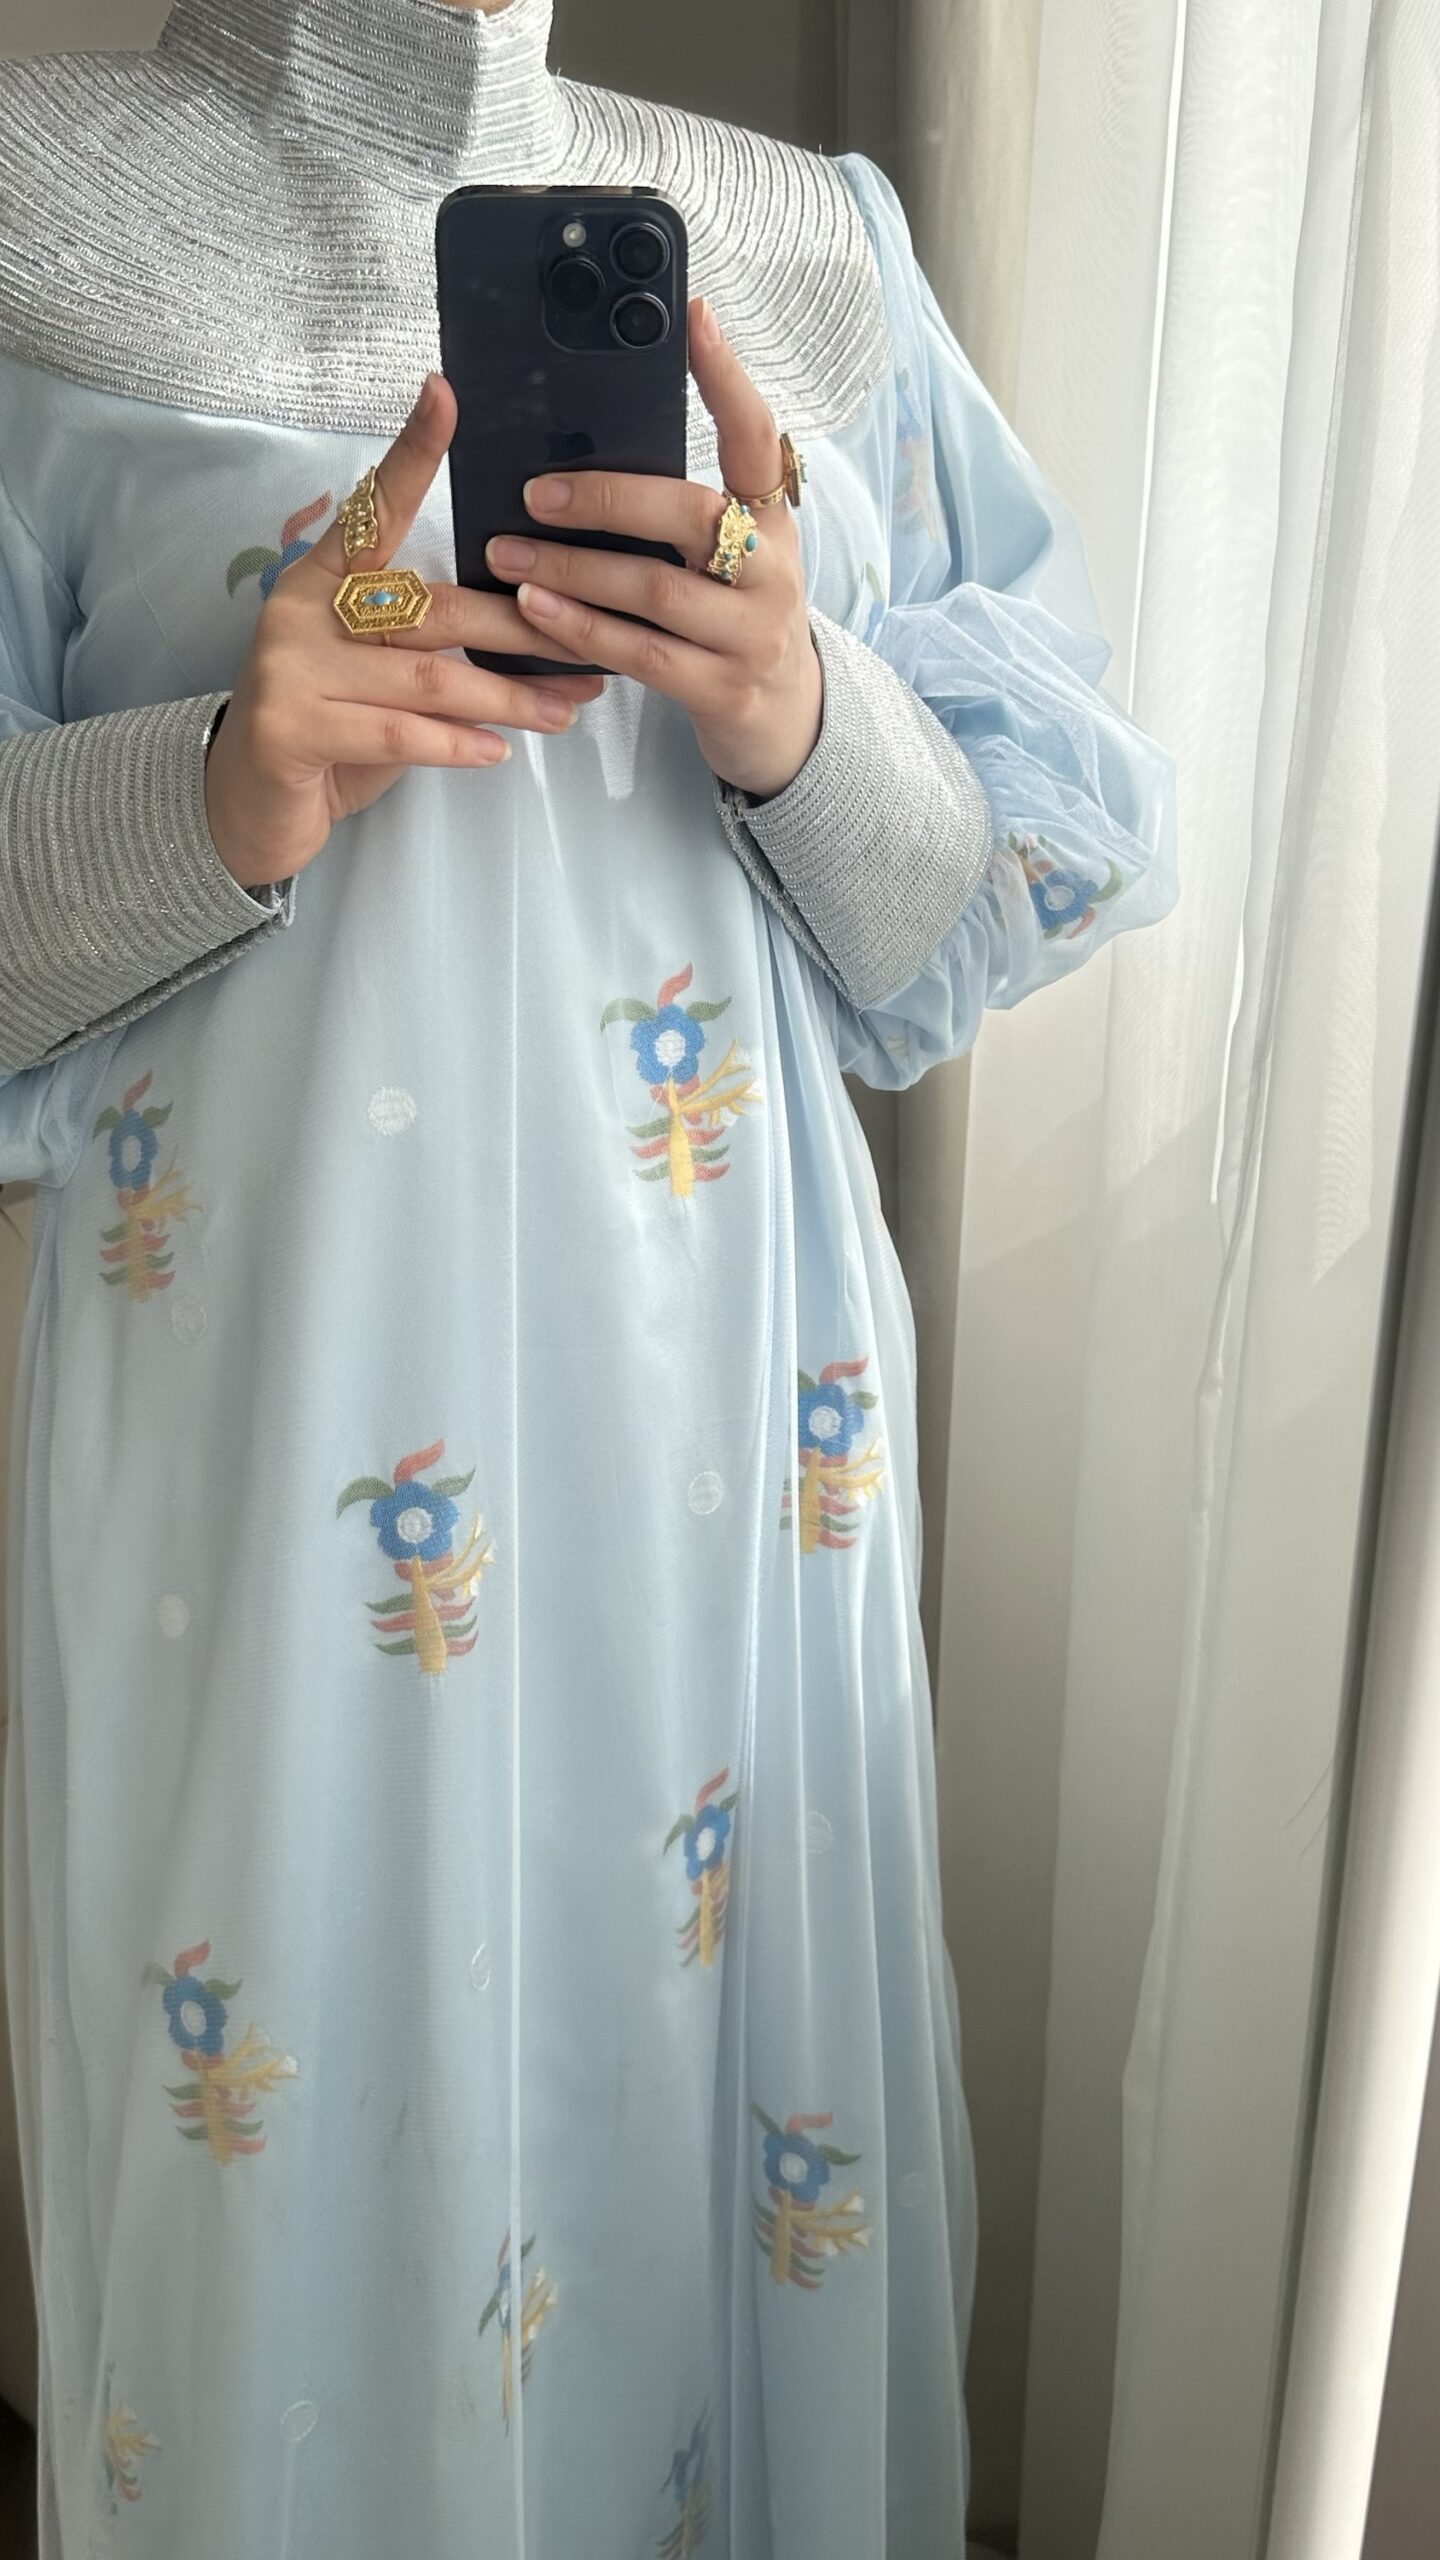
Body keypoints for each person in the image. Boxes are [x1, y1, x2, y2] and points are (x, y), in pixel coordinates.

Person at [0, 0, 1176, 2552]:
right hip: (274, 1451)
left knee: (704, 2123)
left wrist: (797, 706)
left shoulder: (807, 258)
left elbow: (993, 900)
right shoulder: (25, 215)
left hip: (728, 1428)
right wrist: (218, 782)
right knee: (288, 2160)